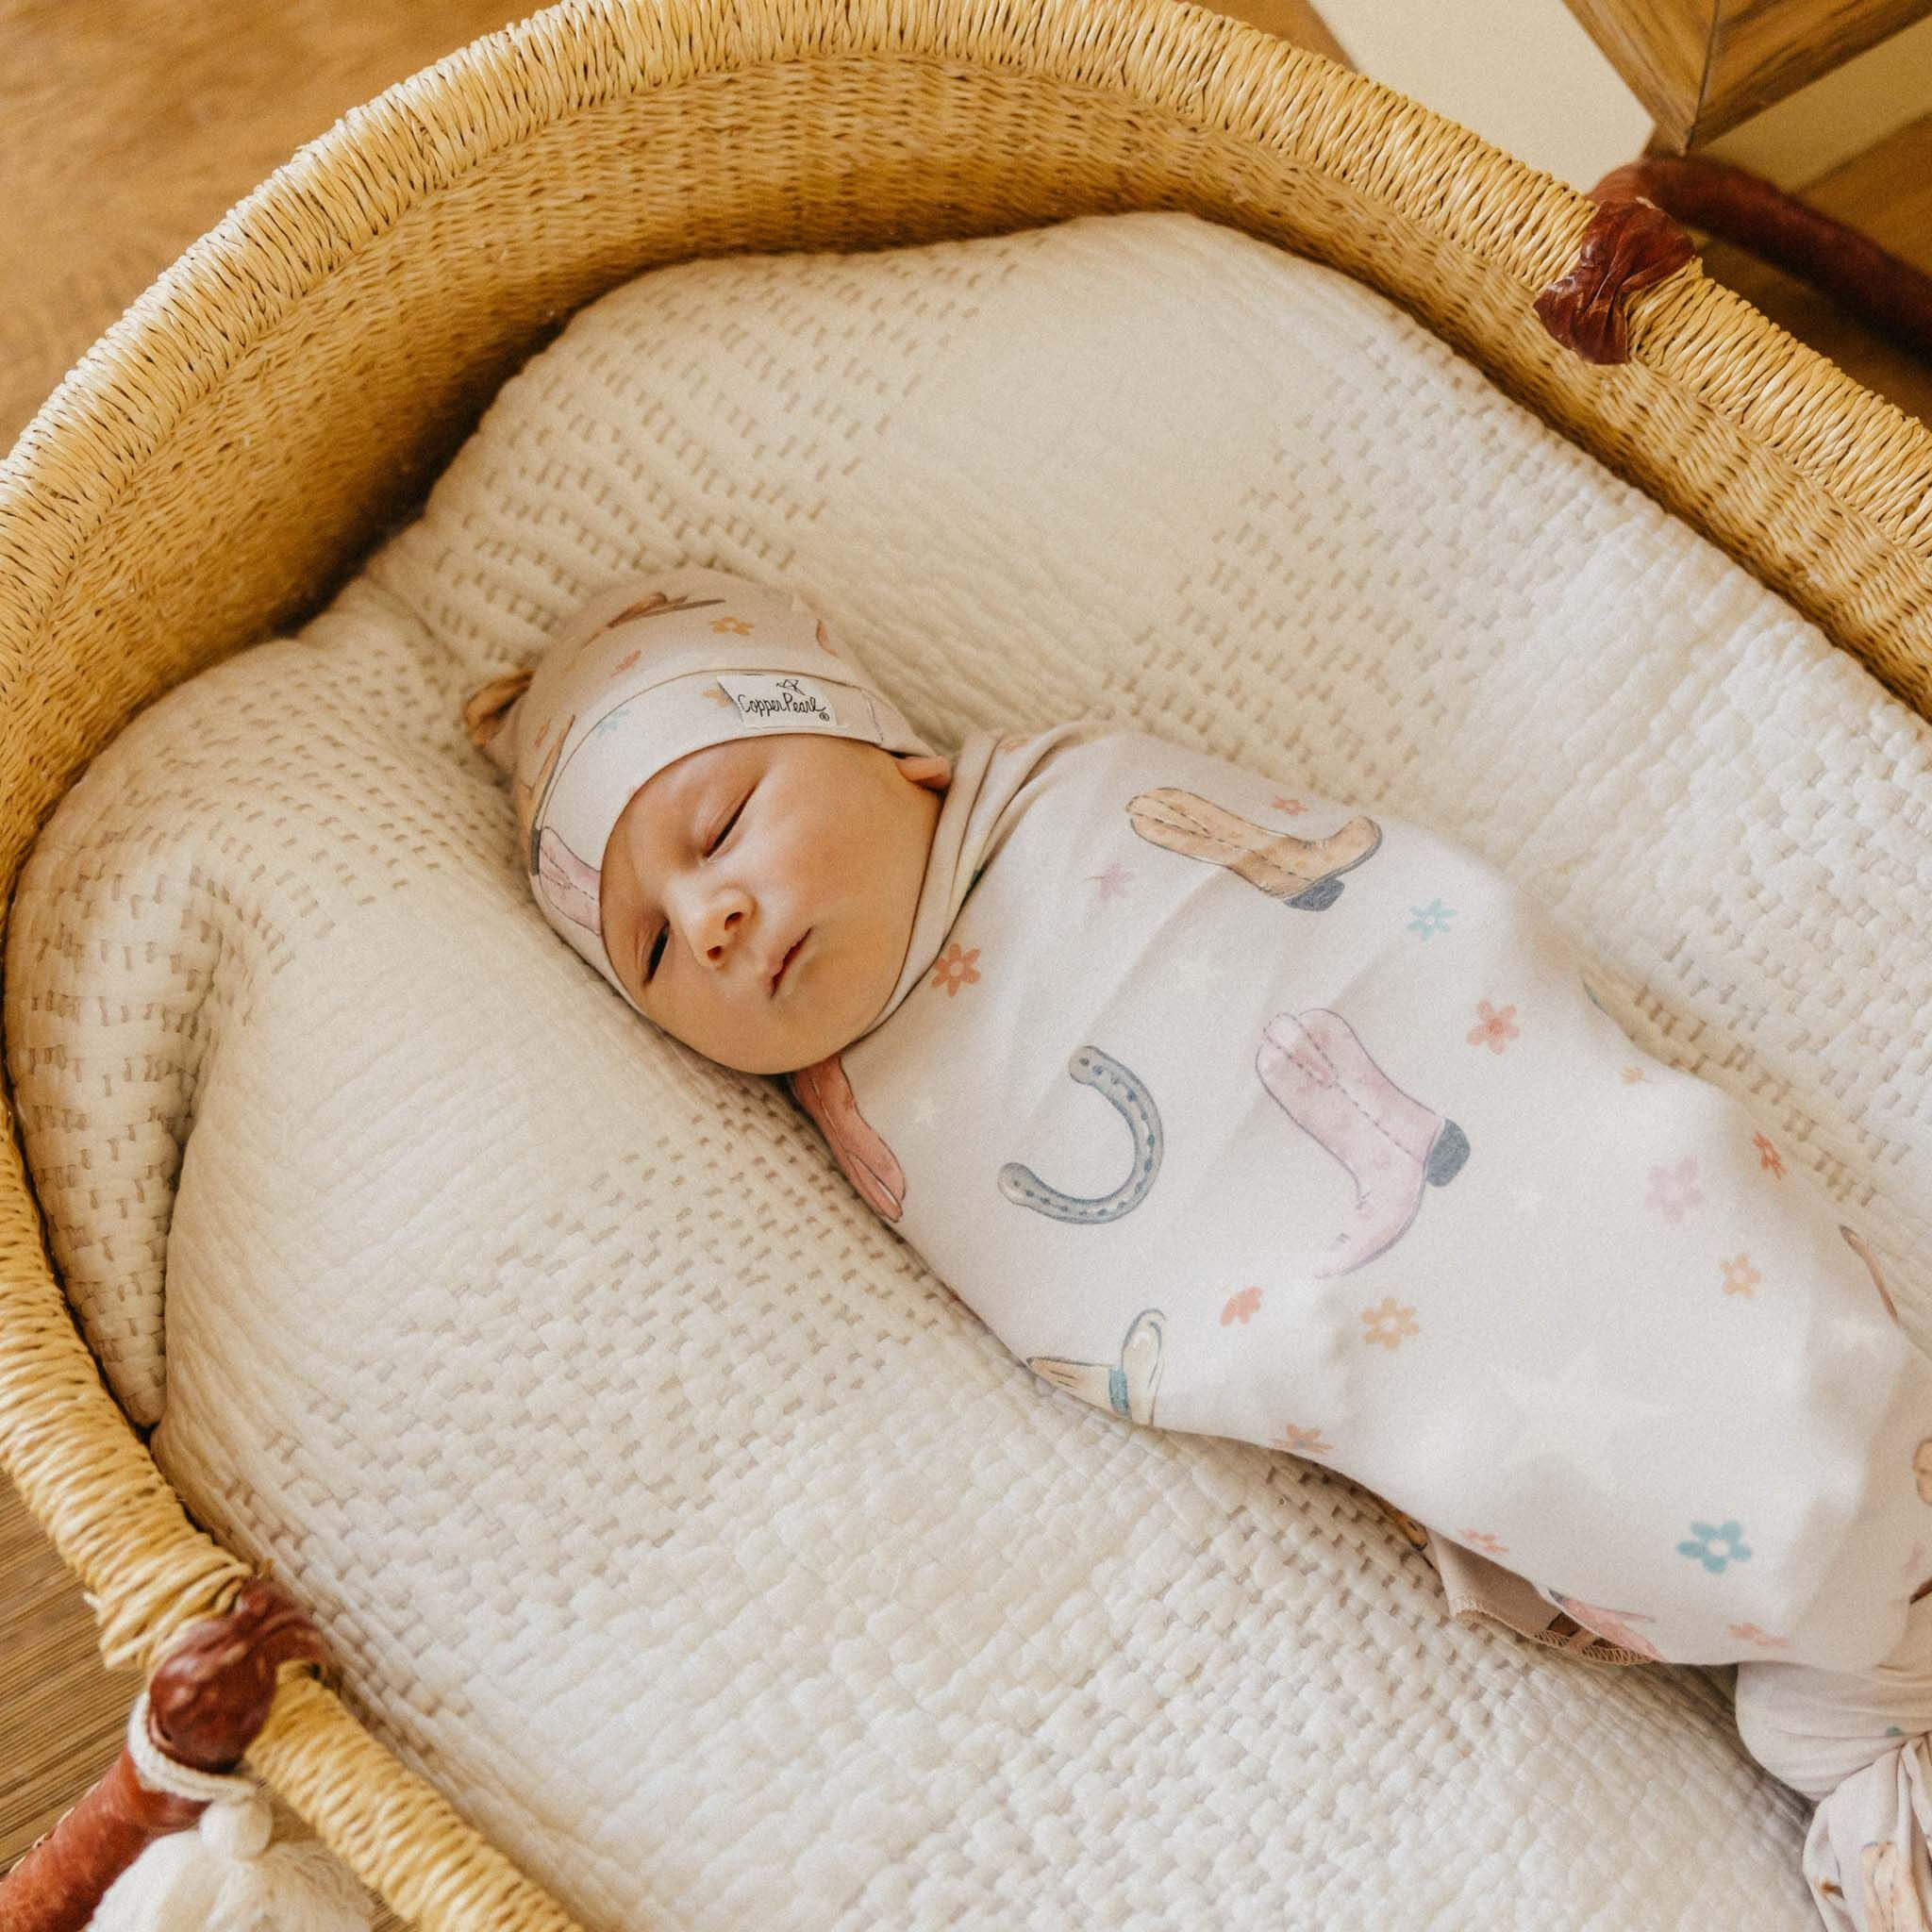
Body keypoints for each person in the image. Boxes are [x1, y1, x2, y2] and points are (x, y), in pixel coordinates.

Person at [466, 563, 1932, 1932]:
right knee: (1524, 1452)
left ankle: (1857, 1538)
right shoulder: (868, 1122)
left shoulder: (1079, 807)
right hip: (1391, 1361)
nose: (708, 919)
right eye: (650, 951)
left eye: (720, 825)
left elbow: (1371, 927)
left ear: (892, 755)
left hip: (1553, 1165)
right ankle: (1839, 1636)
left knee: (1682, 1258)